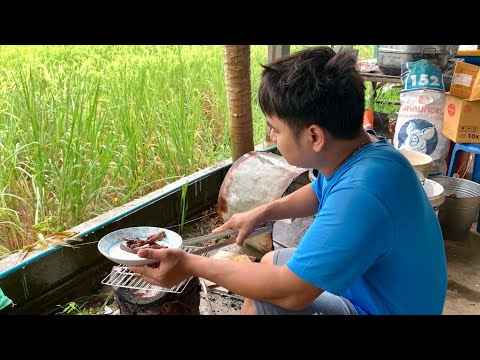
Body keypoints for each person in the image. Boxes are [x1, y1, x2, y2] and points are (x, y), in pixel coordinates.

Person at [129, 46, 447, 315]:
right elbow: (319, 191)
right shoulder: (369, 152)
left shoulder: (361, 195)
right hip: (377, 288)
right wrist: (261, 214)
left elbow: (292, 292)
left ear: (314, 136)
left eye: (275, 129)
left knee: (267, 297)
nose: (271, 137)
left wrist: (189, 264)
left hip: (378, 307)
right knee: (269, 260)